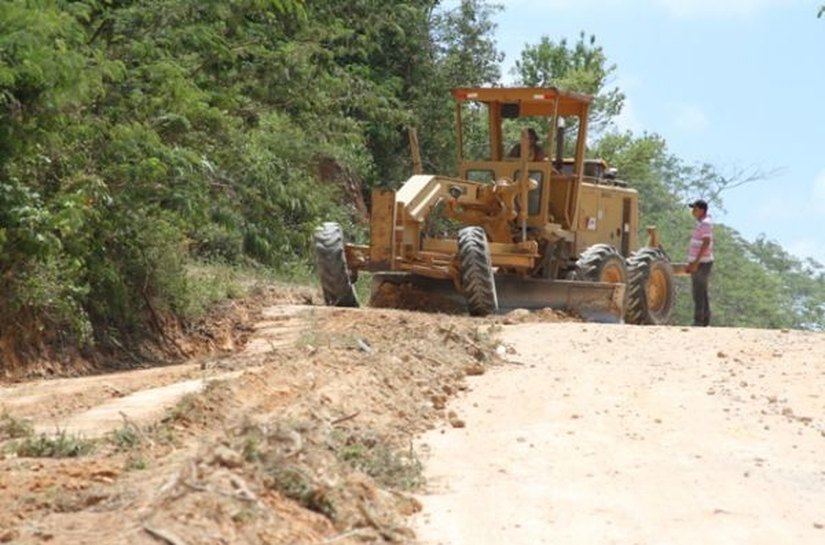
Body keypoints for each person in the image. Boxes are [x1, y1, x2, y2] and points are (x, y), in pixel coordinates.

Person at [685, 199, 714, 326]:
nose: (693, 211)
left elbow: (706, 242)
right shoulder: (701, 223)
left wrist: (696, 262)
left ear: (701, 210)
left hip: (702, 262)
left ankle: (698, 320)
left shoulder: (705, 224)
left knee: (698, 292)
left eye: (695, 209)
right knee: (701, 291)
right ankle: (704, 319)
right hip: (698, 261)